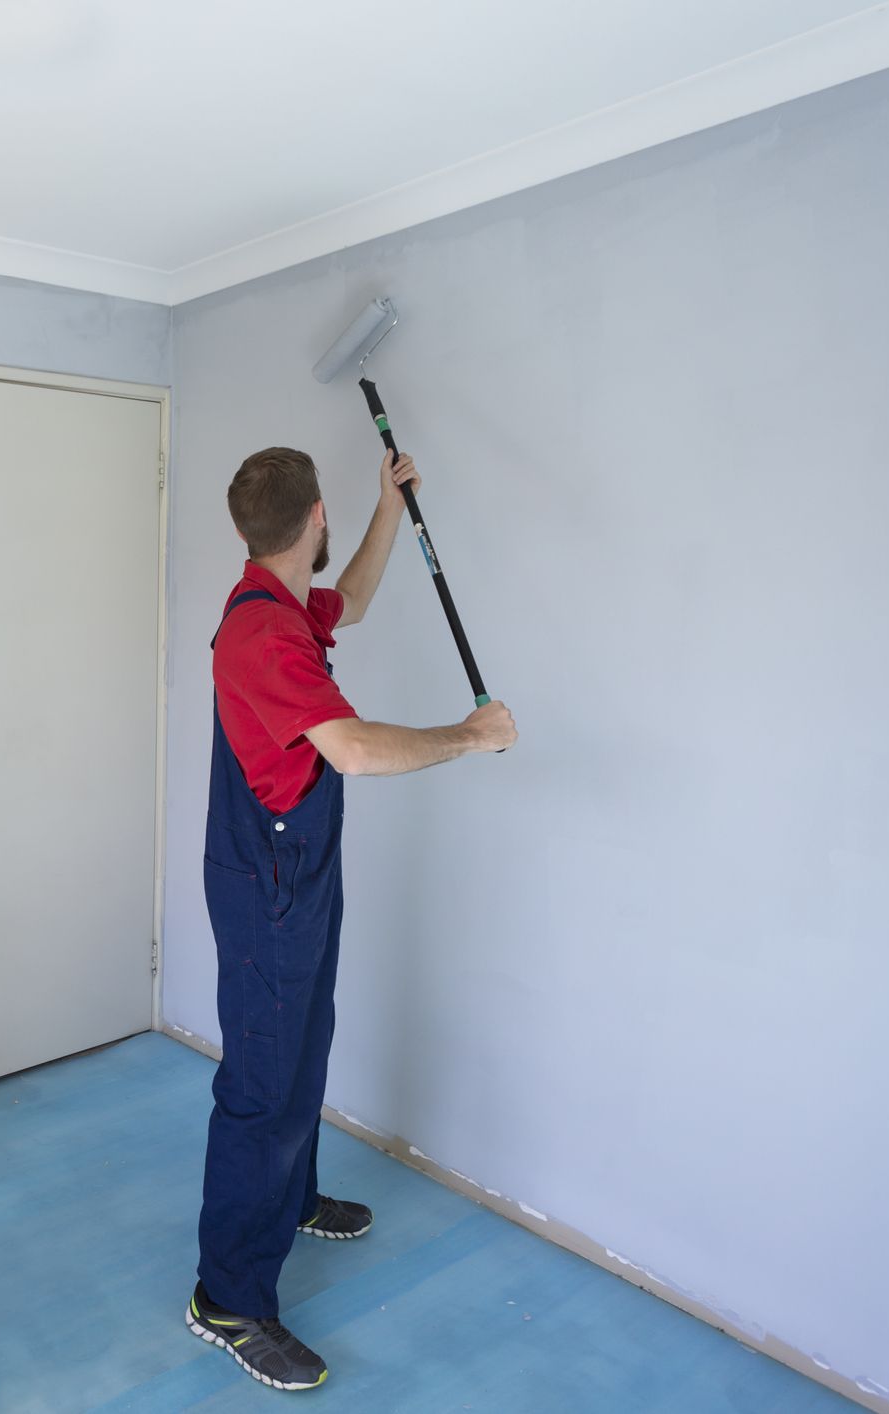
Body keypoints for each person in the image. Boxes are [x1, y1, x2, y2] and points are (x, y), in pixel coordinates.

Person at [188, 445, 517, 1390]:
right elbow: (355, 752)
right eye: (337, 517)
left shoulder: (281, 602)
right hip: (268, 886)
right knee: (260, 1083)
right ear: (312, 517)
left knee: (303, 1047)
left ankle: (287, 1199)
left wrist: (386, 505)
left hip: (296, 870)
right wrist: (471, 733)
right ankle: (228, 1298)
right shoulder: (261, 637)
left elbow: (358, 599)